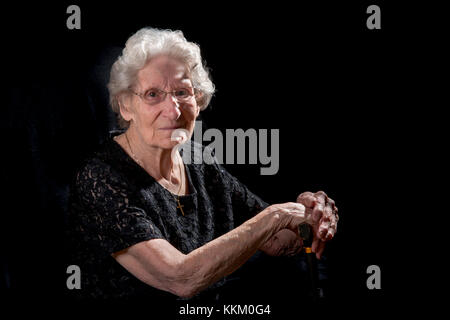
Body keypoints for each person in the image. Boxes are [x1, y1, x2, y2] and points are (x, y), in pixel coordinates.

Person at [66, 27, 339, 301]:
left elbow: (277, 239)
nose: (173, 111)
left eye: (182, 92)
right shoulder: (100, 178)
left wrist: (310, 215)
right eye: (152, 95)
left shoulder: (198, 161)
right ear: (126, 106)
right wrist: (278, 215)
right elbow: (180, 278)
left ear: (198, 100)